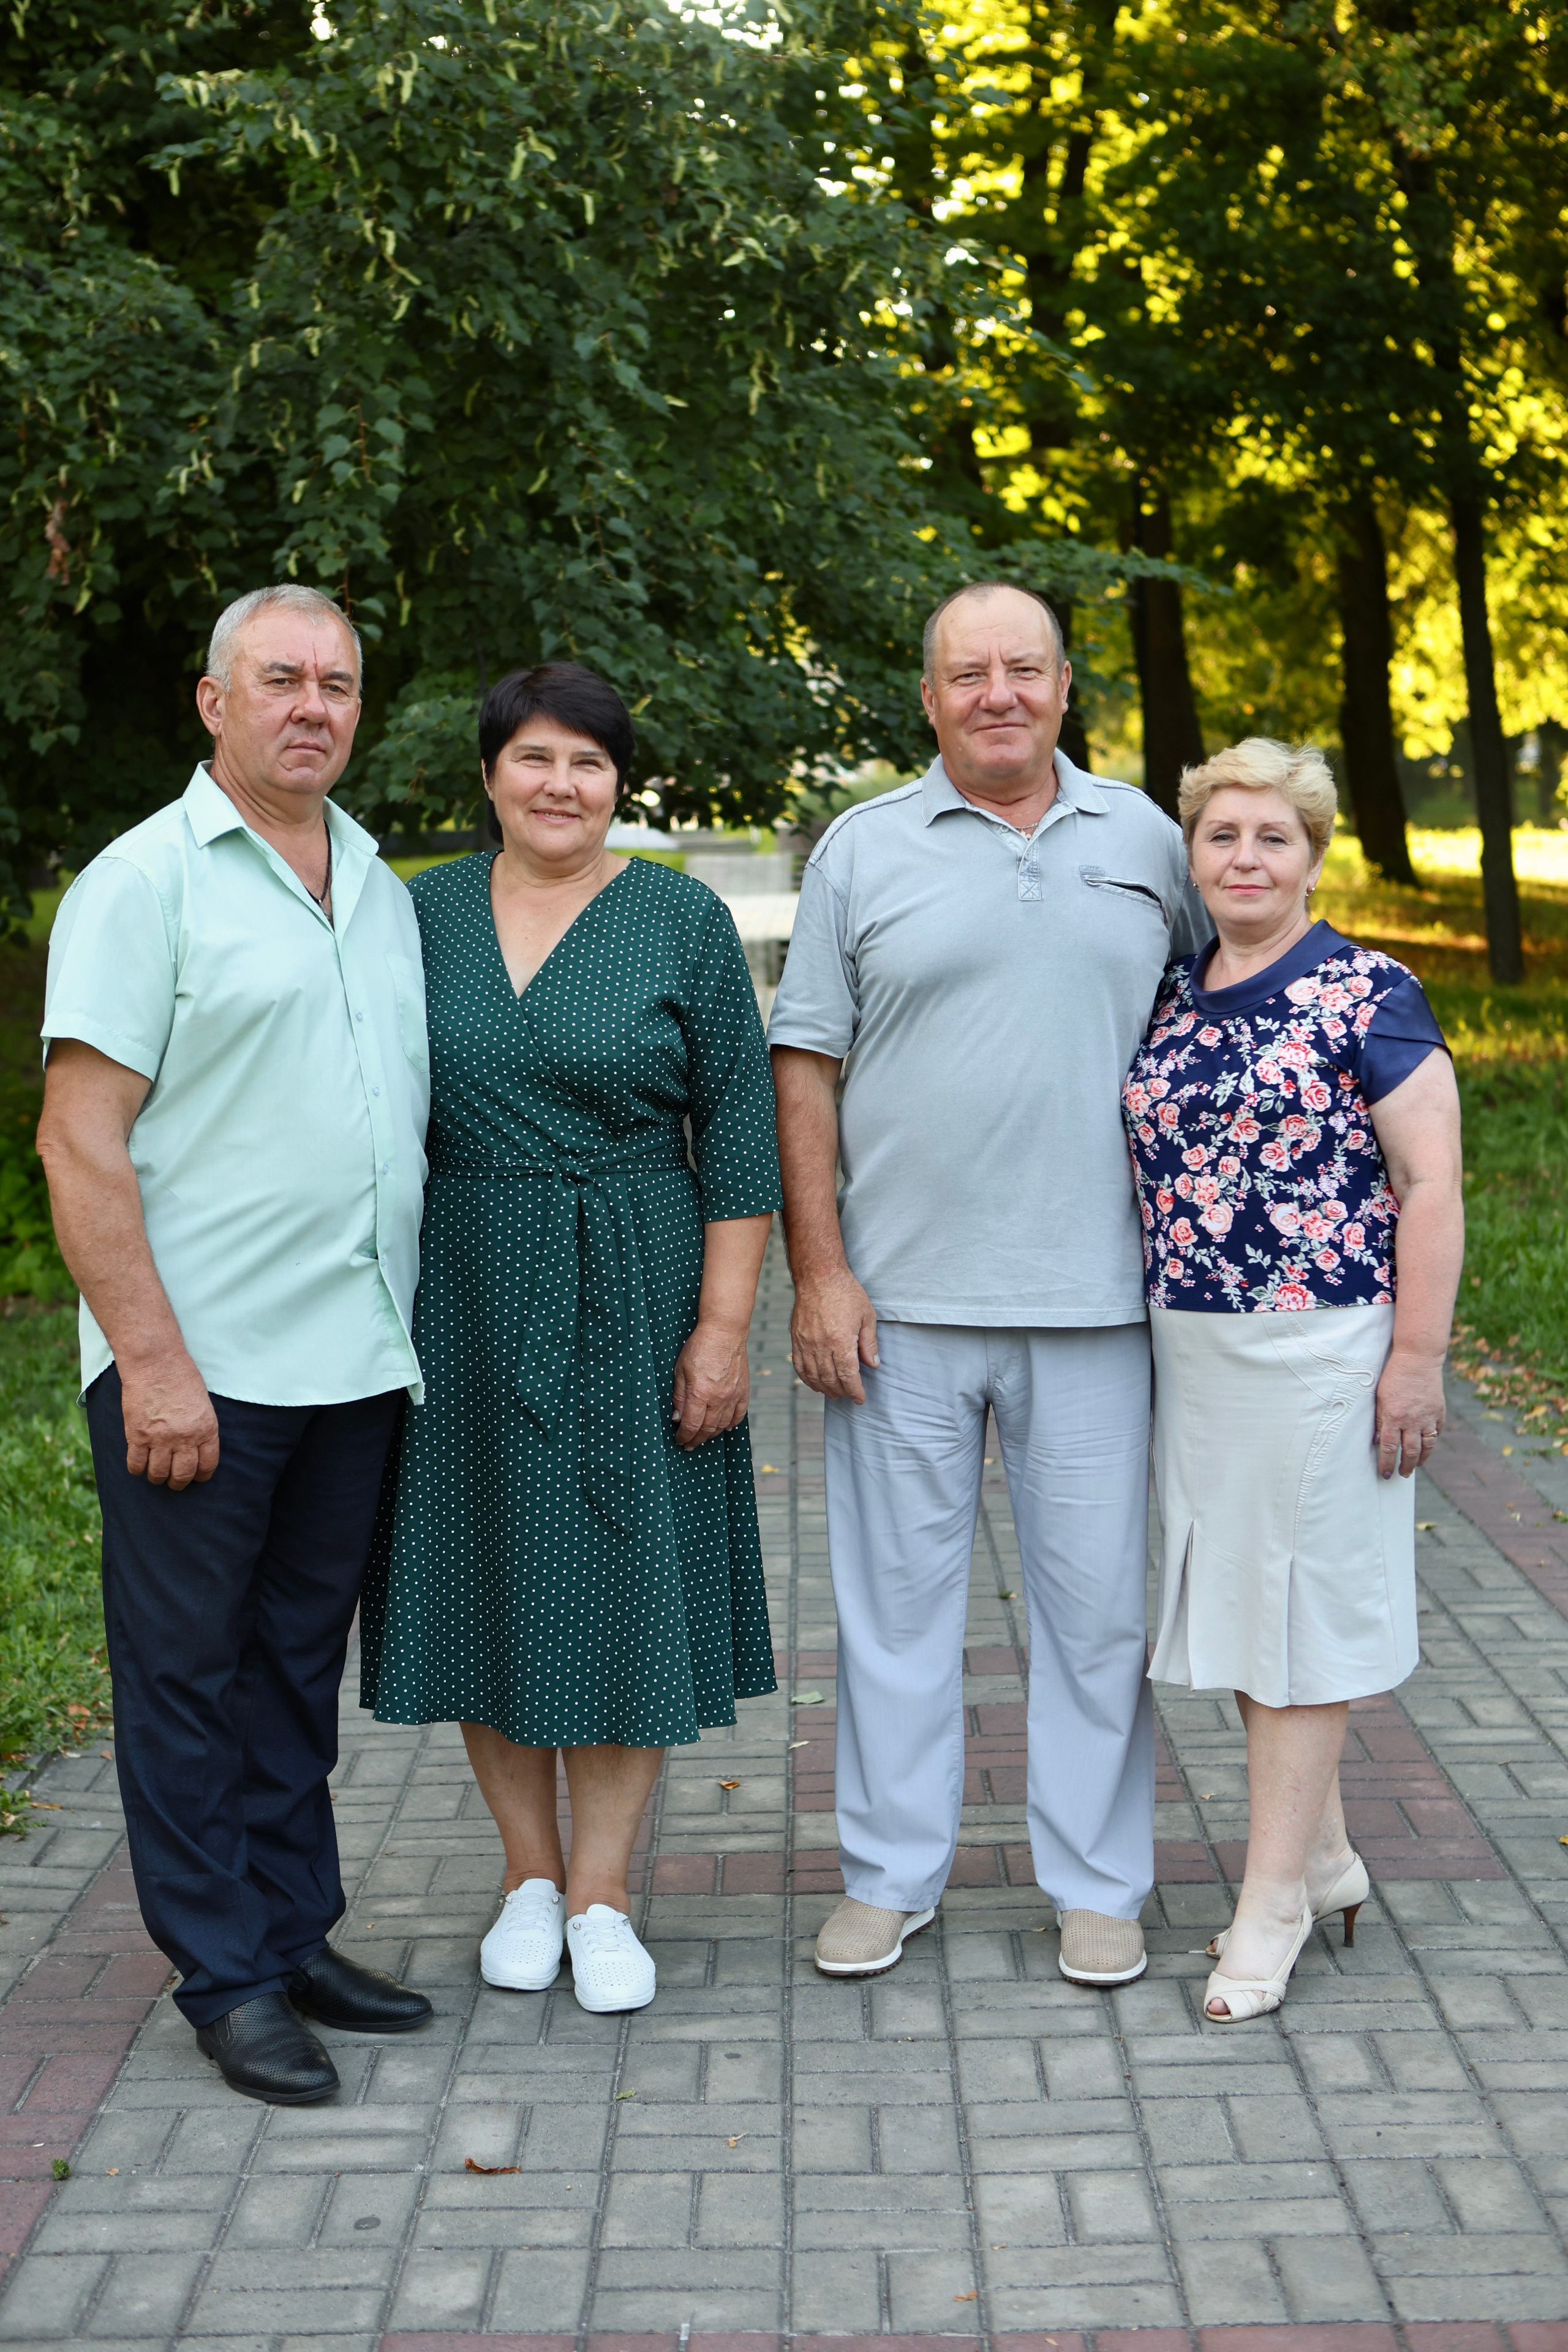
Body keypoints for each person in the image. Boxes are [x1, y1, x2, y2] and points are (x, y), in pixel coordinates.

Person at [768, 579, 1207, 1986]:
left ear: (1065, 686)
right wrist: (819, 1272)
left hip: (1100, 1305)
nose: (998, 694)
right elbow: (804, 1067)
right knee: (895, 1618)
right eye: (969, 673)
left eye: (1024, 669)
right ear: (928, 696)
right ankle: (889, 1878)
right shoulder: (860, 850)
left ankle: (1095, 1886)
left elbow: (1219, 1015)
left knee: (1096, 1619)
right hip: (898, 1309)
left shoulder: (1143, 836)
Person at [37, 583, 435, 2107]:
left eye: (336, 682)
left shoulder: (381, 887)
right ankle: (224, 1977)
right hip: (198, 1373)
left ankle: (294, 1932)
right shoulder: (146, 886)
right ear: (215, 704)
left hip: (350, 1361)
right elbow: (82, 1145)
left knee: (287, 1673)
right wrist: (149, 1358)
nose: (311, 707)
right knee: (188, 1679)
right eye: (279, 680)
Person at [360, 662, 780, 2016]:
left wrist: (723, 1329)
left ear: (618, 782)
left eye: (588, 764)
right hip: (464, 1281)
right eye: (535, 759)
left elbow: (741, 1133)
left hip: (641, 1273)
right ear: (488, 775)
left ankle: (603, 1894)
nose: (561, 786)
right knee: (489, 1557)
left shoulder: (676, 917)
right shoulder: (412, 913)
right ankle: (525, 1877)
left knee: (619, 1571)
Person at [1123, 737, 1463, 2022]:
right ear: (1192, 856)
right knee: (1241, 1610)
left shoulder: (1367, 993)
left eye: (1271, 838)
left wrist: (1416, 1362)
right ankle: (1320, 1860)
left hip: (1324, 1349)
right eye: (1221, 837)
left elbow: (1428, 1183)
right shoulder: (1169, 990)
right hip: (1194, 1351)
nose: (1244, 858)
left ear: (1312, 855)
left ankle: (1266, 1900)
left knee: (1297, 1624)